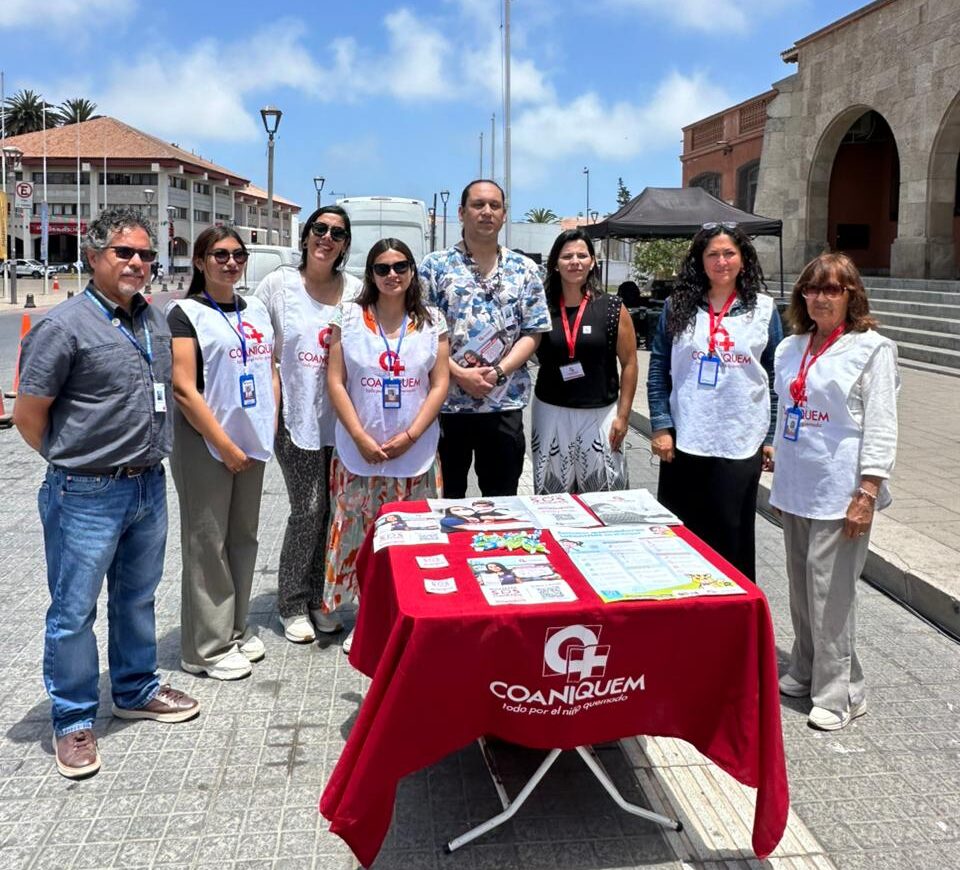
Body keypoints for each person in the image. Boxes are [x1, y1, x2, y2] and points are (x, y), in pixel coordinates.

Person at [12, 206, 199, 780]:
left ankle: (135, 688)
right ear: (93, 257)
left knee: (138, 598)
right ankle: (71, 720)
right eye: (124, 252)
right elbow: (28, 415)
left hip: (147, 483)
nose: (138, 263)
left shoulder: (153, 320)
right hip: (86, 492)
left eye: (146, 254)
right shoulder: (63, 325)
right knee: (73, 610)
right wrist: (77, 465)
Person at [770, 253, 899, 731]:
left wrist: (867, 491)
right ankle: (806, 669)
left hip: (840, 489)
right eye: (813, 288)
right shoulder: (790, 347)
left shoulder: (872, 348)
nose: (821, 297)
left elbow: (882, 425)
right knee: (803, 592)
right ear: (802, 294)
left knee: (831, 595)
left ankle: (839, 694)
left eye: (833, 289)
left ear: (851, 295)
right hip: (795, 485)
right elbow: (786, 408)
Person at [323, 239, 450, 651]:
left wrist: (411, 435)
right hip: (358, 452)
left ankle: (406, 616)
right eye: (382, 268)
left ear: (412, 271)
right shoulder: (349, 316)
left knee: (410, 539)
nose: (391, 275)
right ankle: (368, 619)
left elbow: (440, 383)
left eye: (400, 266)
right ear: (370, 274)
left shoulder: (433, 321)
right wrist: (360, 436)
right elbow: (335, 381)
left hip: (414, 453)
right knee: (361, 541)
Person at [167, 227, 280, 680]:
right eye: (219, 255)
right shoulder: (185, 313)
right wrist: (225, 444)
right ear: (199, 261)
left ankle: (234, 628)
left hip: (251, 441)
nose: (230, 263)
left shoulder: (255, 308)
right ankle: (204, 649)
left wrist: (264, 430)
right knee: (206, 543)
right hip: (205, 443)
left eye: (238, 255)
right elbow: (183, 387)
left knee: (242, 538)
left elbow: (267, 368)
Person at [647, 222, 783, 582]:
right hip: (686, 439)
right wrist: (661, 425)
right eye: (712, 254)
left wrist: (770, 438)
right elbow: (659, 367)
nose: (721, 261)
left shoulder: (765, 311)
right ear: (700, 260)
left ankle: (732, 618)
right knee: (683, 536)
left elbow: (774, 379)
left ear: (743, 259)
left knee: (732, 537)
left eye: (729, 253)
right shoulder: (677, 307)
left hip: (741, 442)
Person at [255, 206, 362, 644]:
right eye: (320, 229)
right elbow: (252, 339)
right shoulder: (279, 285)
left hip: (344, 423)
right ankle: (292, 602)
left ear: (345, 244)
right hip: (294, 417)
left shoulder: (356, 290)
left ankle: (322, 598)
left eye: (337, 233)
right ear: (305, 237)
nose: (327, 238)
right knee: (308, 509)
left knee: (335, 512)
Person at [419, 179, 551, 497]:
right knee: (446, 501)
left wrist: (499, 372)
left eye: (494, 206)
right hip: (447, 405)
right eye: (478, 205)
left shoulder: (525, 270)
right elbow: (421, 333)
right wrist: (459, 373)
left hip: (503, 403)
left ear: (504, 214)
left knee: (502, 500)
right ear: (462, 213)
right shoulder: (435, 267)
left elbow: (533, 332)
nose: (487, 212)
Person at [532, 229, 638, 494]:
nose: (575, 261)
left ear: (592, 261)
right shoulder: (541, 307)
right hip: (551, 412)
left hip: (601, 413)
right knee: (552, 495)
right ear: (555, 263)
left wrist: (623, 417)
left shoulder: (612, 307)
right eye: (567, 256)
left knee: (605, 495)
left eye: (582, 255)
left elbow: (630, 363)